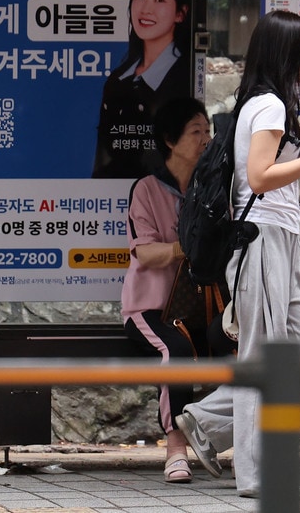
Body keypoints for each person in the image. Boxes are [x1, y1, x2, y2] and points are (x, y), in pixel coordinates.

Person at [175, 9, 300, 500]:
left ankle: (205, 419)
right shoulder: (270, 107)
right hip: (263, 242)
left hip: (277, 240)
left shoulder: (259, 104)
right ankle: (260, 475)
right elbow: (259, 177)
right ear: (288, 54)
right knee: (268, 360)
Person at [120, 96, 213, 484]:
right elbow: (144, 251)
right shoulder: (146, 189)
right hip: (151, 309)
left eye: (208, 131)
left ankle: (226, 439)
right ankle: (176, 448)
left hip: (201, 307)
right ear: (170, 141)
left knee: (238, 347)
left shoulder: (212, 188)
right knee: (174, 350)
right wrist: (184, 248)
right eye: (196, 132)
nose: (206, 139)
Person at [93, 0, 193, 179]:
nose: (146, 9)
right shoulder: (117, 80)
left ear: (180, 13)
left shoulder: (186, 77)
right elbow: (101, 158)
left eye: (159, 0)